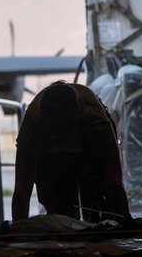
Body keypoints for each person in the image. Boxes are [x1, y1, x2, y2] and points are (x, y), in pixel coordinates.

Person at [12, 81, 130, 222]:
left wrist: (124, 227)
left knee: (100, 204)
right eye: (55, 132)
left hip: (89, 146)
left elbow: (115, 183)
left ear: (78, 120)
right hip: (48, 153)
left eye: (65, 131)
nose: (61, 138)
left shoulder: (97, 124)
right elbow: (22, 190)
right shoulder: (31, 128)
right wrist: (19, 232)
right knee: (59, 211)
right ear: (46, 124)